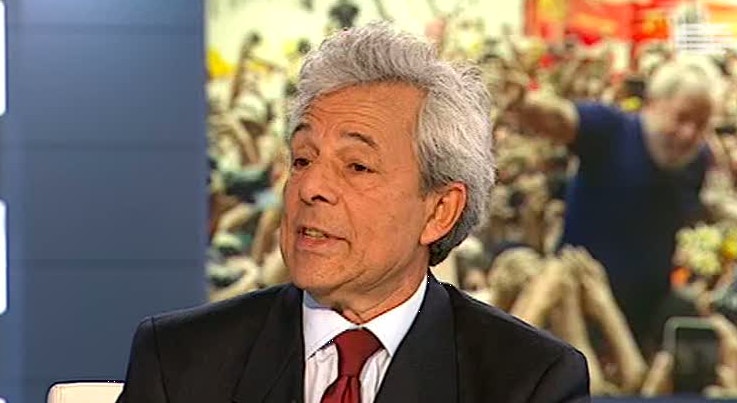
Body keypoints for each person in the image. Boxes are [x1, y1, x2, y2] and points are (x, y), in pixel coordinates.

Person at [116, 22, 589, 403]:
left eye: (357, 166)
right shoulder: (179, 360)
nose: (310, 188)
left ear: (439, 211)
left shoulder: (527, 381)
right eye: (302, 160)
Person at [505, 58, 716, 352]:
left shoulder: (696, 162)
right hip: (576, 312)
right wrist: (525, 104)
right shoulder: (611, 130)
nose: (689, 134)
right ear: (653, 103)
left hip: (641, 326)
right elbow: (561, 119)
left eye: (700, 125)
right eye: (682, 118)